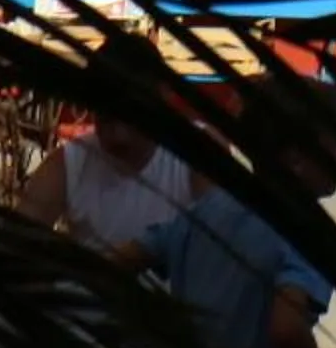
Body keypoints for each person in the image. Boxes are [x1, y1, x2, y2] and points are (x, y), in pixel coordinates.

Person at [114, 75, 336, 348]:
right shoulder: (308, 233)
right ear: (296, 158)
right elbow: (288, 329)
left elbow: (127, 256)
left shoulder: (211, 206)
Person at [14, 32, 201, 252]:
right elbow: (16, 245)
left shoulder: (197, 155)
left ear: (162, 98)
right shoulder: (68, 163)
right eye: (106, 119)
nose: (119, 136)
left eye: (131, 117)